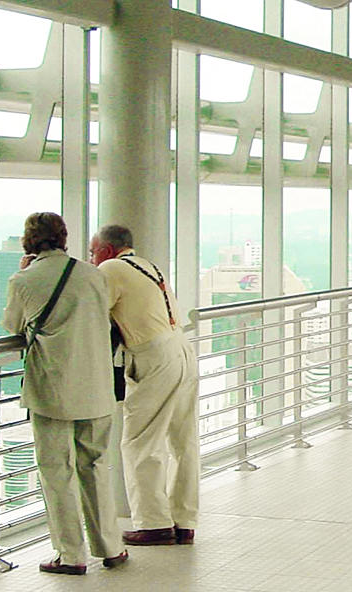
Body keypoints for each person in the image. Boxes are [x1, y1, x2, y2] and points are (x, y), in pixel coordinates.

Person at [0, 212, 127, 575]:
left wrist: (24, 272)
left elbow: (13, 325)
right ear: (64, 237)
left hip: (52, 388)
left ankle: (70, 554)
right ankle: (110, 546)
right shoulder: (92, 275)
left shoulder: (24, 279)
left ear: (29, 241)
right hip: (97, 385)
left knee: (56, 472)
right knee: (96, 465)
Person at [90, 225, 200, 548]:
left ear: (107, 251)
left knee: (141, 442)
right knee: (183, 440)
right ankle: (184, 520)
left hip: (153, 354)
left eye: (93, 251)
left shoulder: (110, 269)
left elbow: (94, 311)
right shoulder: (149, 265)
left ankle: (153, 523)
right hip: (182, 348)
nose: (91, 258)